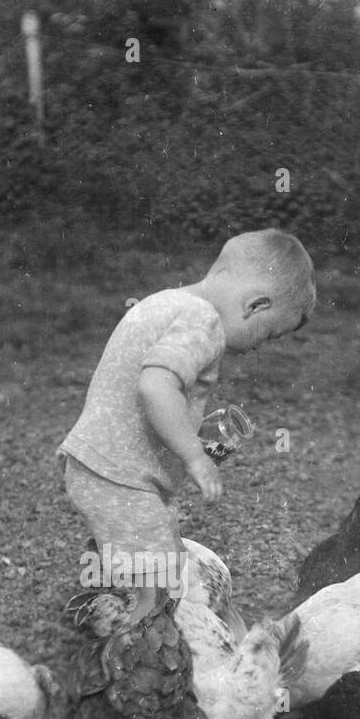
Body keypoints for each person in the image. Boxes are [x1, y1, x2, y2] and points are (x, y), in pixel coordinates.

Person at [58, 228, 316, 622]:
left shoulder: (168, 301)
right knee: (161, 565)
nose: (258, 346)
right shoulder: (204, 321)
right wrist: (194, 456)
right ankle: (142, 634)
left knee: (141, 546)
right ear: (255, 305)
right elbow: (155, 386)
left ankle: (115, 596)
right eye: (268, 334)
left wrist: (192, 429)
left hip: (96, 460)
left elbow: (146, 392)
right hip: (119, 474)